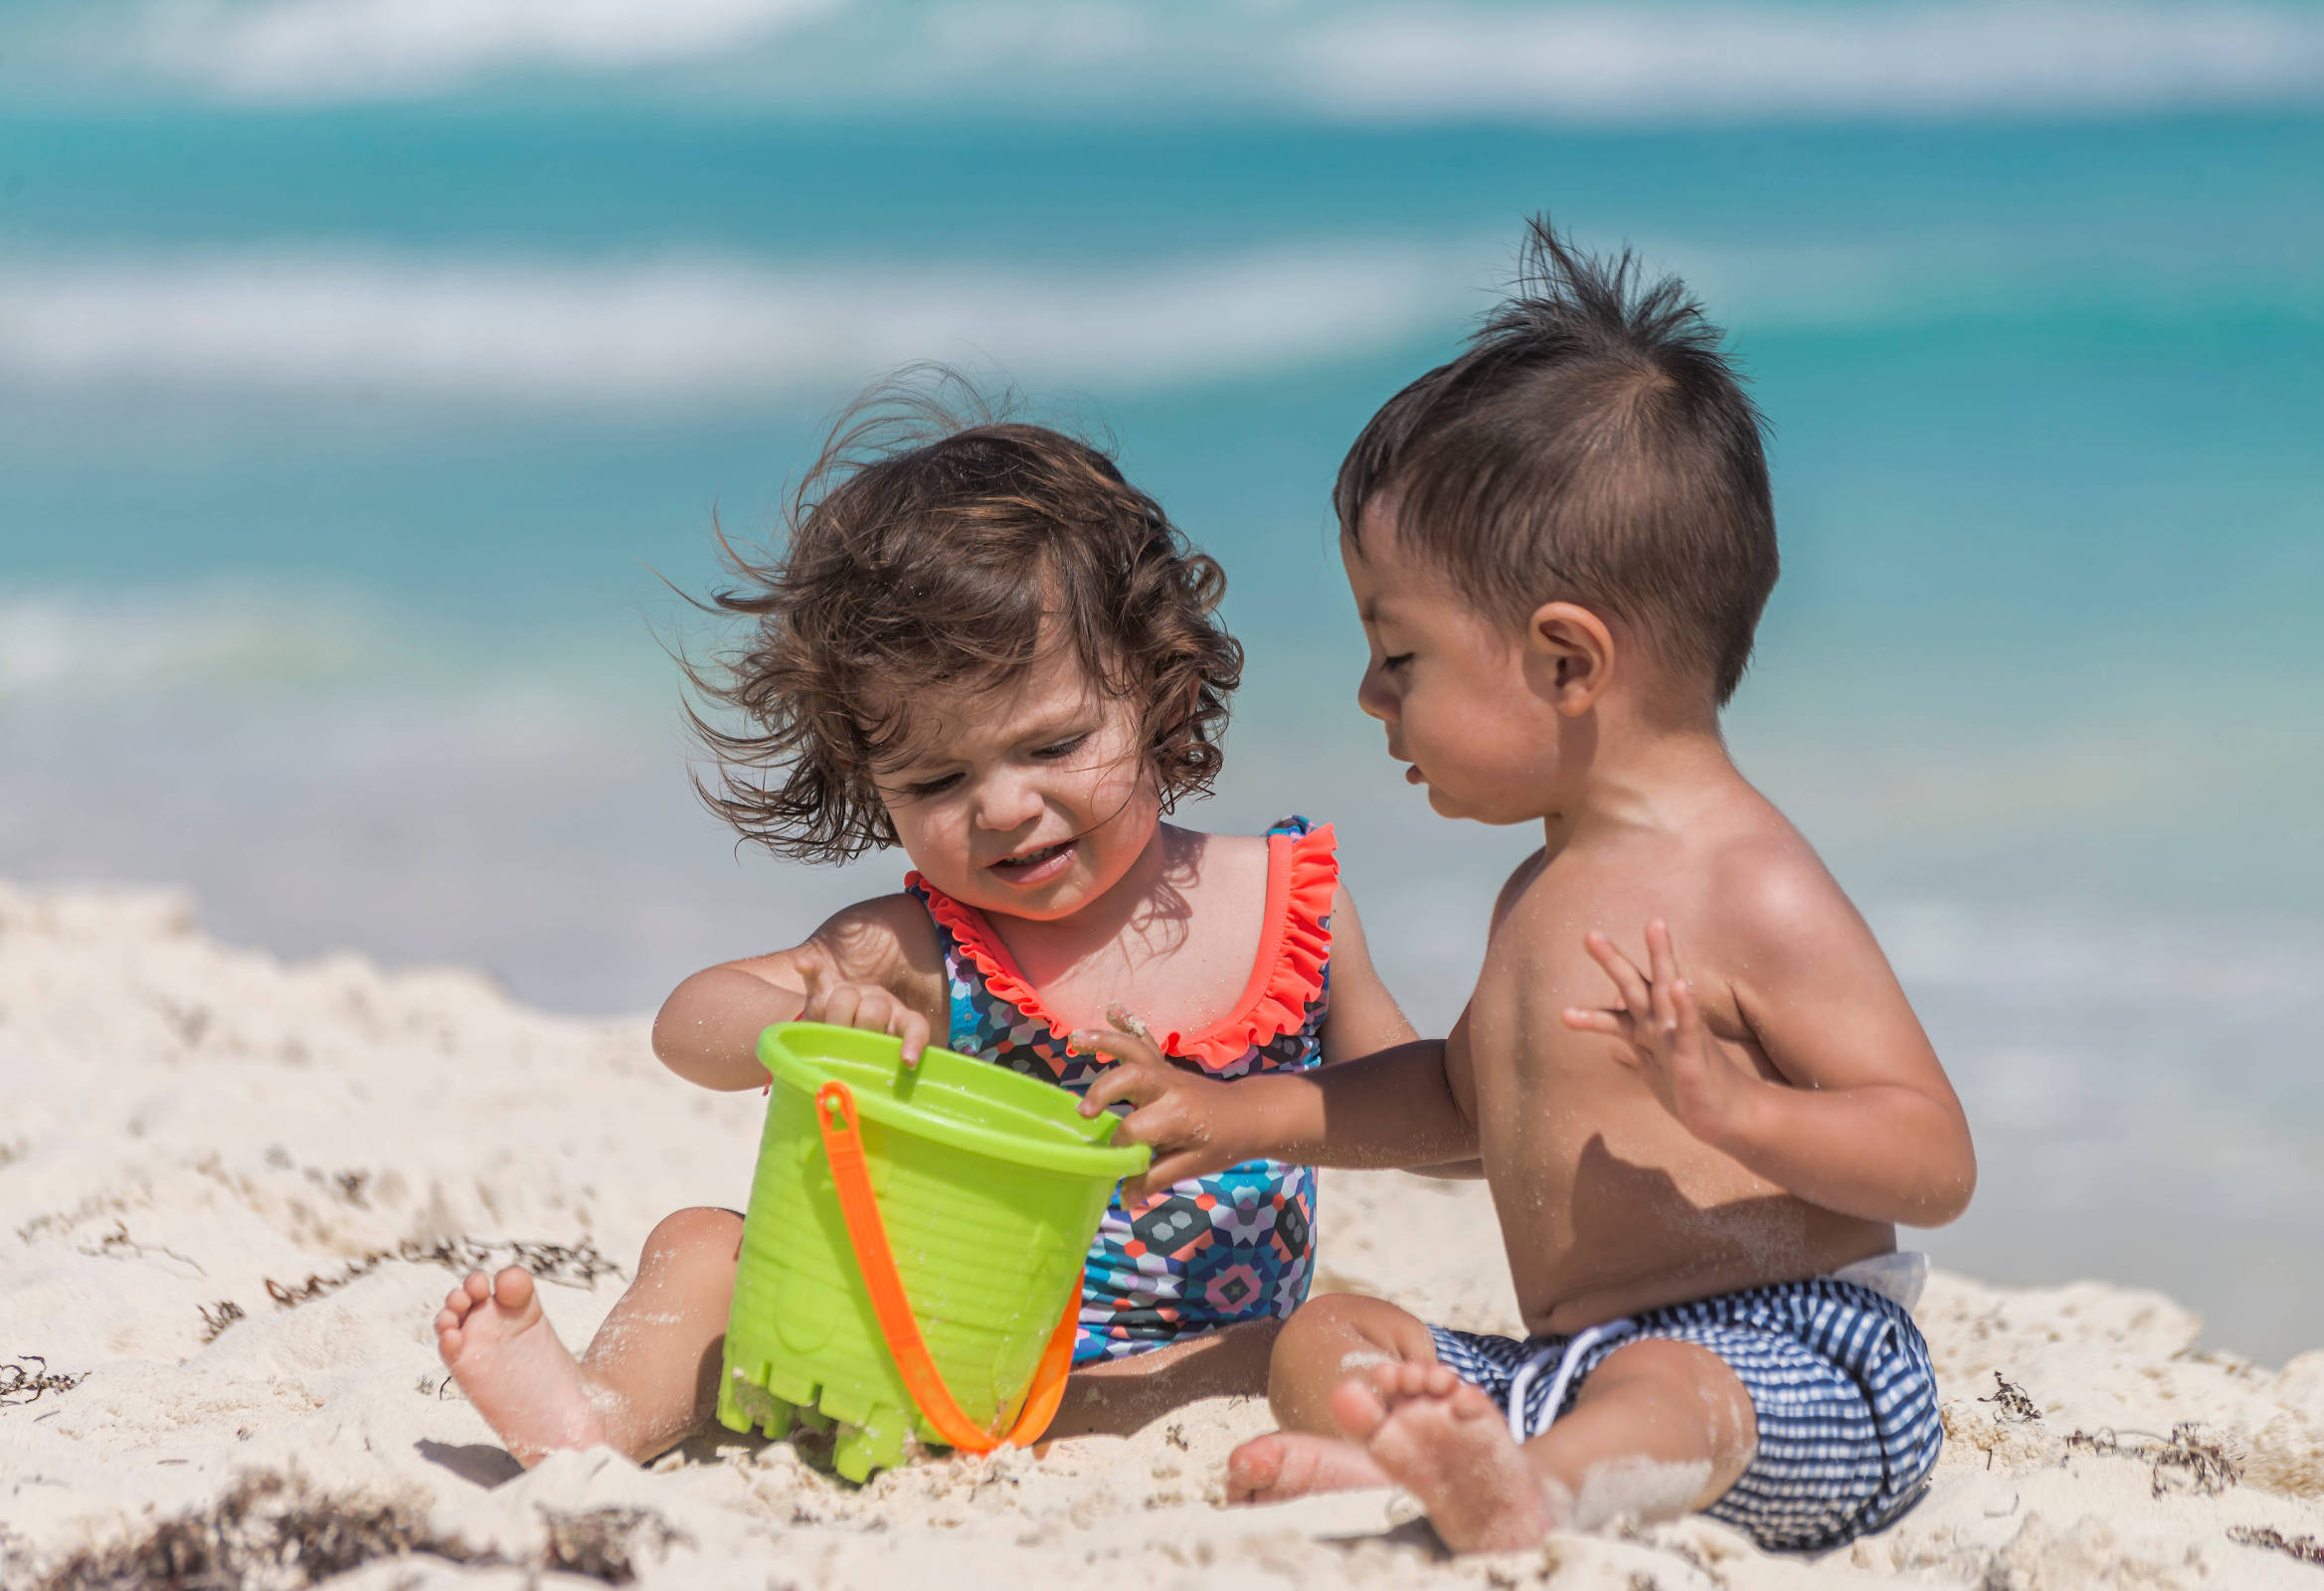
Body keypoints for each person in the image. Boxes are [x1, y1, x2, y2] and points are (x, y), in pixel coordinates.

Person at [1073, 222, 1977, 1553]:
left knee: (1665, 1390)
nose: (1371, 696)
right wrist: (1239, 1110)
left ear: (1566, 663)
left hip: (1800, 1368)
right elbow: (1458, 1106)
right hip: (1579, 1370)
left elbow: (1932, 1154)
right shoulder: (1537, 895)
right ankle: (1467, 1471)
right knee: (1332, 1332)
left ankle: (1535, 1488)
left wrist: (1736, 1108)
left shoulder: (1750, 886)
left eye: (1401, 656)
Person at [431, 376, 1415, 1465]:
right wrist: (809, 1014)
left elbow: (1432, 1115)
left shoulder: (1290, 915)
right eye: (939, 778)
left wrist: (1255, 1113)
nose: (1001, 805)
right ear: (873, 787)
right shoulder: (923, 948)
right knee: (702, 1244)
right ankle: (597, 1418)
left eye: (1050, 746)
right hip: (916, 1347)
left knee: (1329, 1340)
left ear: (1160, 692)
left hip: (1196, 1361)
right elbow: (684, 1020)